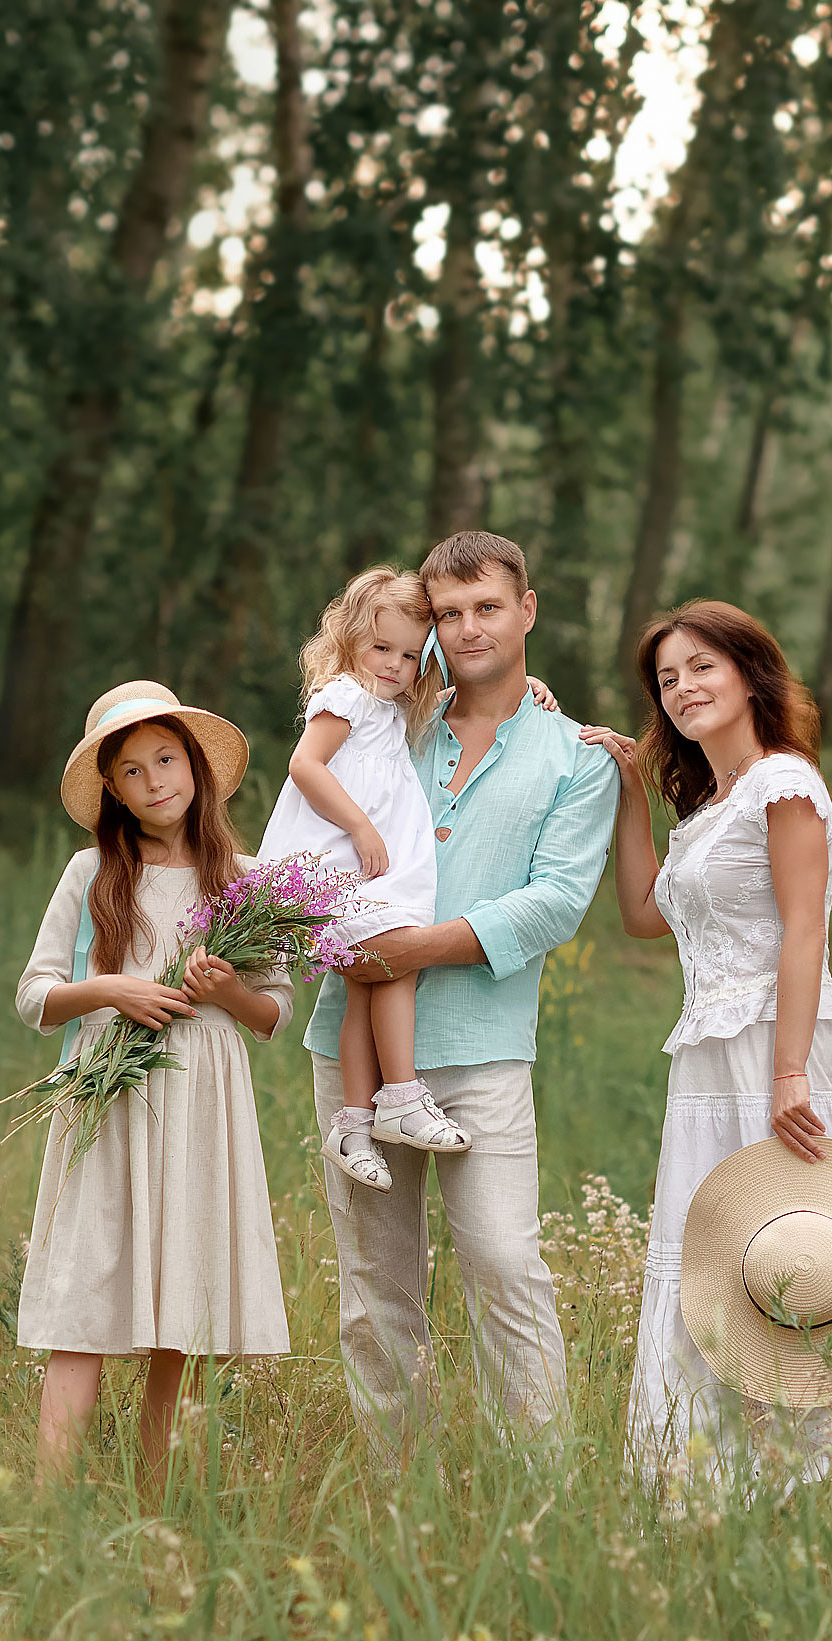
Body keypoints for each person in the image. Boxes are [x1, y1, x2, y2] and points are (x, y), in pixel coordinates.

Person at [578, 600, 832, 1493]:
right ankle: (714, 1482)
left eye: (701, 667)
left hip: (780, 1046)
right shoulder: (710, 810)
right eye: (666, 678)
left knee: (803, 1255)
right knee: (715, 1263)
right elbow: (644, 915)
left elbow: (805, 930)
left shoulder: (784, 782)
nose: (683, 687)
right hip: (708, 1054)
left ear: (748, 673)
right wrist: (631, 798)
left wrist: (789, 1072)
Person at [310, 530, 618, 1453]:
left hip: (480, 1044)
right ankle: (399, 1495)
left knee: (501, 1261)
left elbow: (557, 900)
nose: (468, 626)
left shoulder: (578, 756)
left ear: (527, 610)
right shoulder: (387, 719)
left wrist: (412, 947)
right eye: (450, 612)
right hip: (352, 1041)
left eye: (488, 606)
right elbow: (318, 824)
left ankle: (542, 1492)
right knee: (375, 1281)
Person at [14, 681, 293, 1486]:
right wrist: (113, 989)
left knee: (186, 1290)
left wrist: (224, 990)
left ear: (196, 765)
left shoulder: (244, 877)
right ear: (113, 791)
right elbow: (35, 995)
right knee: (87, 1287)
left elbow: (273, 1011)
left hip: (202, 1096)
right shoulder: (91, 872)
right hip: (112, 1094)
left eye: (166, 759)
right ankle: (48, 1499)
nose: (154, 781)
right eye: (131, 771)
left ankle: (158, 1493)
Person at [259, 567, 470, 1194]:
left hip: (367, 868)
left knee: (365, 983)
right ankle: (400, 1095)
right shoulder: (347, 697)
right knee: (395, 964)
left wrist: (532, 688)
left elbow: (456, 698)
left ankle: (354, 1122)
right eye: (382, 648)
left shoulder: (390, 709)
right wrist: (359, 827)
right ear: (351, 638)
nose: (394, 665)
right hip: (341, 860)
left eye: (410, 655)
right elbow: (305, 765)